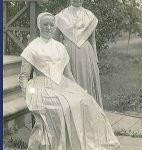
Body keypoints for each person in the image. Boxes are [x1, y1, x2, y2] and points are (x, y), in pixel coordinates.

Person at [19, 12, 120, 150]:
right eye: (45, 25)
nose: (49, 27)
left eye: (51, 25)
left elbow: (68, 74)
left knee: (87, 101)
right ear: (39, 26)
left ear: (55, 27)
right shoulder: (32, 47)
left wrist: (78, 89)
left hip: (62, 83)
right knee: (60, 108)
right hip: (41, 85)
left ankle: (80, 143)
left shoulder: (60, 47)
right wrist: (27, 94)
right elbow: (24, 76)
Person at [54, 0, 103, 107]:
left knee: (86, 83)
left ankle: (89, 114)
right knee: (71, 83)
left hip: (87, 54)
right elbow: (54, 40)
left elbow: (92, 40)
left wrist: (95, 57)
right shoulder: (61, 16)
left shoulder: (90, 16)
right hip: (68, 54)